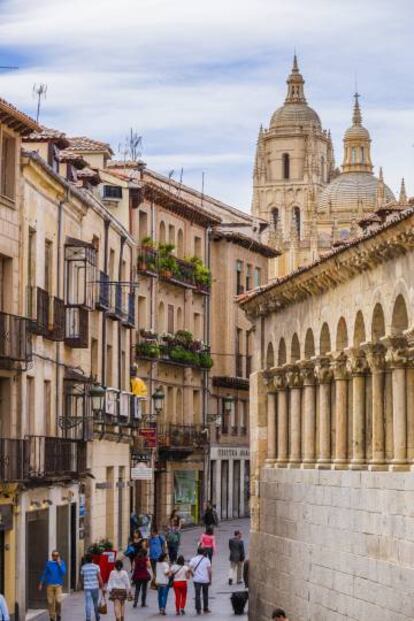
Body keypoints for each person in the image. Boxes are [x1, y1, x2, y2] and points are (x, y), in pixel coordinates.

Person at [39, 550, 67, 621]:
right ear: (52, 556)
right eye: (54, 555)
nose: (55, 557)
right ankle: (52, 617)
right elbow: (44, 574)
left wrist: (59, 564)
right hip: (49, 585)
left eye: (57, 555)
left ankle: (58, 614)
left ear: (58, 556)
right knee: (50, 602)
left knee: (58, 600)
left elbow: (63, 572)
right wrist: (41, 583)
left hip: (58, 585)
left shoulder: (61, 563)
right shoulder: (48, 563)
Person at [80, 554, 104, 621]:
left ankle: (88, 618)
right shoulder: (96, 567)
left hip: (87, 588)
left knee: (88, 603)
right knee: (95, 603)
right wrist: (102, 586)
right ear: (92, 560)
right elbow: (99, 577)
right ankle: (97, 616)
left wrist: (82, 585)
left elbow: (81, 578)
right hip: (95, 588)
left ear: (86, 560)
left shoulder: (83, 567)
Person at [189, 546, 212, 615]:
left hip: (196, 580)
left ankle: (198, 609)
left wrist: (193, 574)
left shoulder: (193, 559)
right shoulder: (207, 560)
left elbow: (189, 568)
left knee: (197, 595)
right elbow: (209, 571)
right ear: (204, 552)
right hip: (205, 579)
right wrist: (210, 579)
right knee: (205, 594)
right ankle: (205, 608)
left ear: (197, 552)